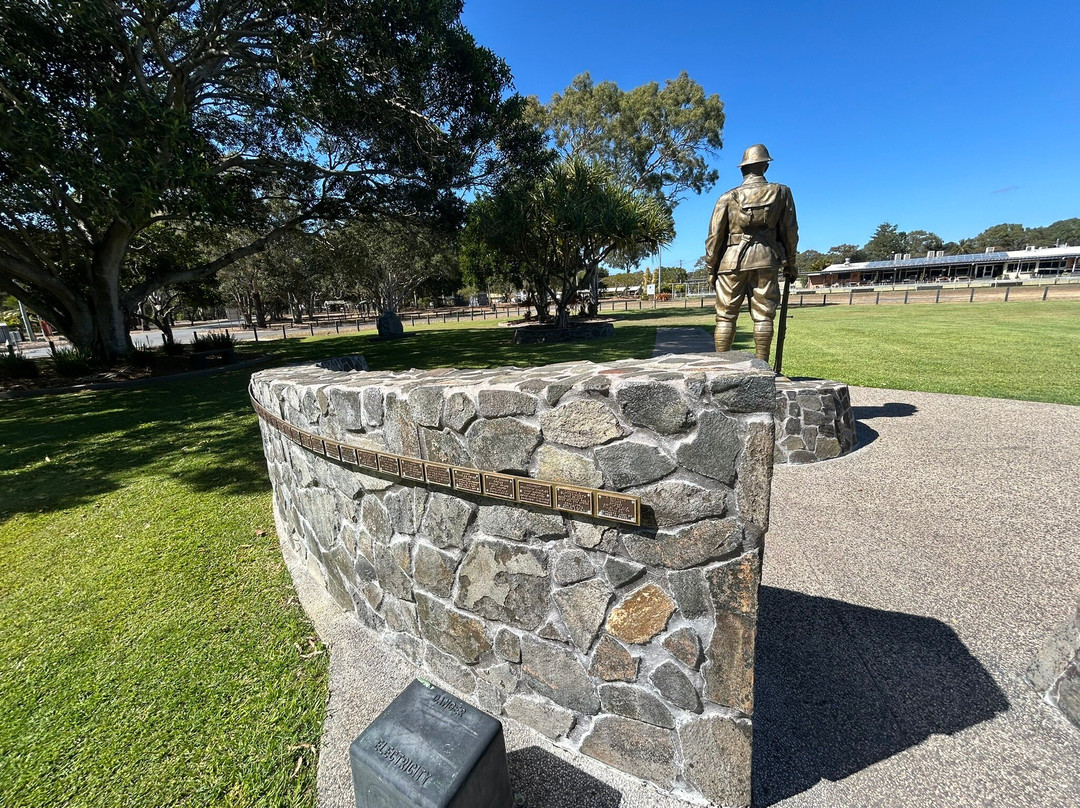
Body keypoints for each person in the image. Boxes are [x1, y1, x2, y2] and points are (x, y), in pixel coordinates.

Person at [704, 144, 798, 362]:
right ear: (765, 166)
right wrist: (790, 263)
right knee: (764, 316)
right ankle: (763, 367)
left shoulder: (727, 197)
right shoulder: (781, 192)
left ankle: (722, 368)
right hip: (766, 259)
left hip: (730, 262)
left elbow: (714, 237)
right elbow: (790, 231)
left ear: (743, 169)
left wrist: (711, 267)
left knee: (725, 317)